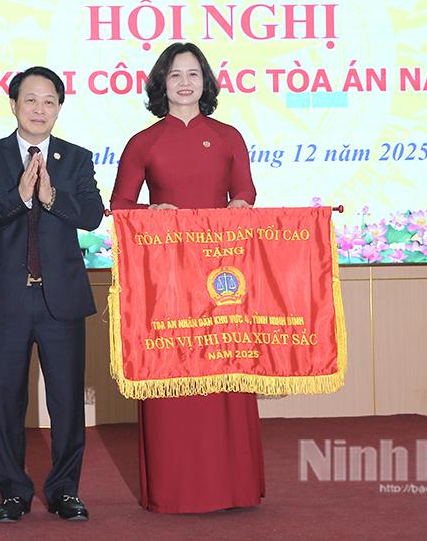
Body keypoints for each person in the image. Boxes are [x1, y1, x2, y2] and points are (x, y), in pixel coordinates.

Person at [110, 42, 265, 513]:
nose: (184, 82)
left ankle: (234, 488)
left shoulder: (227, 136)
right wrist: (152, 211)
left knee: (224, 374)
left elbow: (245, 191)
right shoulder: (143, 141)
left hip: (221, 277)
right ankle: (175, 489)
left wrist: (240, 205)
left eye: (193, 73)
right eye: (175, 74)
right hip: (168, 278)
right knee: (171, 370)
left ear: (206, 82)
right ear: (161, 83)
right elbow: (120, 205)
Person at [0, 66, 104, 523]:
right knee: (5, 400)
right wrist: (19, 198)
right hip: (7, 298)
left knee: (66, 401)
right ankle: (13, 492)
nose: (39, 109)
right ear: (13, 105)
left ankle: (65, 491)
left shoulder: (77, 159)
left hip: (61, 299)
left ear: (59, 107)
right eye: (30, 100)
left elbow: (92, 215)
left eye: (49, 101)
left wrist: (50, 197)